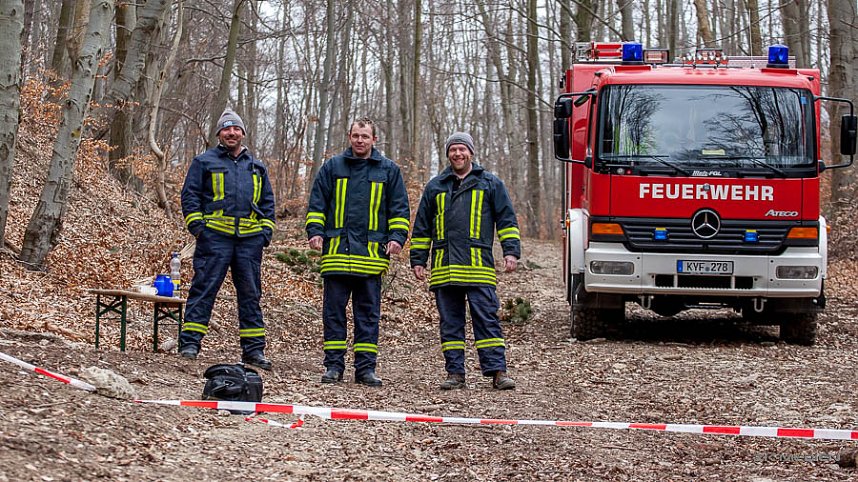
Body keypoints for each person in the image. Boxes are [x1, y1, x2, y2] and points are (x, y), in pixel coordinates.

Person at [410, 132, 520, 390]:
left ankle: (497, 372)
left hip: (478, 266)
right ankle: (455, 373)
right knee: (450, 324)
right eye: (453, 150)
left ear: (471, 152)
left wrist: (511, 252)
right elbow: (422, 227)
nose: (458, 154)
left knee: (487, 319)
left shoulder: (490, 183)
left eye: (462, 149)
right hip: (444, 268)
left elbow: (506, 220)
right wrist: (418, 260)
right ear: (448, 154)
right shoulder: (435, 186)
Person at [305, 117, 410, 386]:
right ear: (349, 137)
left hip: (372, 257)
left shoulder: (389, 171)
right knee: (333, 313)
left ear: (374, 140)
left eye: (365, 136)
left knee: (368, 314)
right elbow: (317, 204)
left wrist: (397, 238)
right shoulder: (332, 168)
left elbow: (399, 210)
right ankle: (333, 366)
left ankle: (365, 369)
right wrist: (315, 231)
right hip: (337, 253)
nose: (360, 140)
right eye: (355, 136)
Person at [178, 108, 276, 371]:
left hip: (249, 242)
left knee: (250, 295)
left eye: (236, 129)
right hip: (214, 240)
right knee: (204, 290)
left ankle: (254, 352)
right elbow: (190, 196)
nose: (231, 133)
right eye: (226, 128)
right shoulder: (204, 162)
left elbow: (268, 202)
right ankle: (190, 344)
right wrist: (198, 228)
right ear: (219, 133)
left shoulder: (256, 166)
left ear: (243, 133)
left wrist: (265, 233)